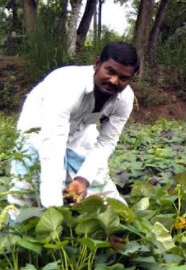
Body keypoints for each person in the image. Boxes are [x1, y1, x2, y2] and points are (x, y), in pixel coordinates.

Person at [8, 42, 139, 218]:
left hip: (81, 134)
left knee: (102, 195)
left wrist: (83, 178)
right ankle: (16, 235)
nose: (114, 81)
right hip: (38, 129)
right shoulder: (68, 85)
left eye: (123, 78)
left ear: (130, 79)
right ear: (97, 63)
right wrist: (54, 210)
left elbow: (107, 141)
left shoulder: (125, 99)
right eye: (110, 71)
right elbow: (52, 144)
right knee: (26, 193)